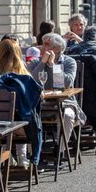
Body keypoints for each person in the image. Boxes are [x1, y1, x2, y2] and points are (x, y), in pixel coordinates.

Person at [28, 33, 85, 167]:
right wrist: (42, 63)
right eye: (43, 43)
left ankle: (60, 151)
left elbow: (66, 83)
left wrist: (53, 65)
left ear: (58, 49)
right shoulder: (36, 62)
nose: (42, 47)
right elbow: (31, 81)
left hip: (65, 102)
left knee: (67, 116)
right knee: (27, 116)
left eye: (47, 44)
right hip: (41, 103)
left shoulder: (69, 62)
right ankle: (36, 153)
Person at [0, 39, 36, 168]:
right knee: (24, 117)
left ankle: (8, 157)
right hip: (15, 127)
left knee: (7, 117)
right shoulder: (23, 75)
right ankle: (22, 158)